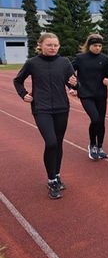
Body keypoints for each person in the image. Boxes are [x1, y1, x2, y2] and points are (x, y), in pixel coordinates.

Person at [13, 33, 77, 199]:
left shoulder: (64, 62)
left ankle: (56, 175)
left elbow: (72, 82)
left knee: (58, 143)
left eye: (55, 45)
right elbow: (17, 80)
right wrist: (23, 94)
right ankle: (51, 180)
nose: (53, 48)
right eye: (49, 45)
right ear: (40, 45)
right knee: (51, 142)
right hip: (41, 108)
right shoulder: (32, 63)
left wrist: (75, 85)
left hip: (62, 107)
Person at [71, 34, 108, 160]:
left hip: (101, 94)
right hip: (85, 94)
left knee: (101, 121)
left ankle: (100, 146)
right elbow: (69, 72)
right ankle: (92, 145)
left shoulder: (105, 59)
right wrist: (72, 87)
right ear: (89, 45)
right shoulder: (80, 58)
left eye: (100, 46)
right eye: (95, 45)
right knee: (95, 119)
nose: (97, 48)